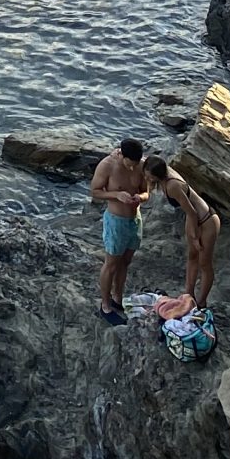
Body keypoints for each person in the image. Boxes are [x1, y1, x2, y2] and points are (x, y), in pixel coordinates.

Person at [144, 154, 220, 309]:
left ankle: (202, 301)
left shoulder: (173, 186)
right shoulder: (163, 173)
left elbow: (192, 212)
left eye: (147, 174)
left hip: (206, 221)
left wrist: (195, 235)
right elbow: (145, 159)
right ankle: (188, 295)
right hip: (193, 218)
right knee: (192, 257)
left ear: (155, 175)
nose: (145, 175)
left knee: (204, 262)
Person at [88, 137, 148, 323]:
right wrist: (116, 195)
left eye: (135, 164)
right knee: (111, 263)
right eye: (130, 164)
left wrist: (141, 197)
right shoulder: (107, 165)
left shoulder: (141, 165)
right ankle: (105, 306)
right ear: (122, 155)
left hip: (134, 220)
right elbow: (95, 191)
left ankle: (118, 298)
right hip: (115, 221)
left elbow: (147, 192)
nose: (132, 168)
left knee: (125, 262)